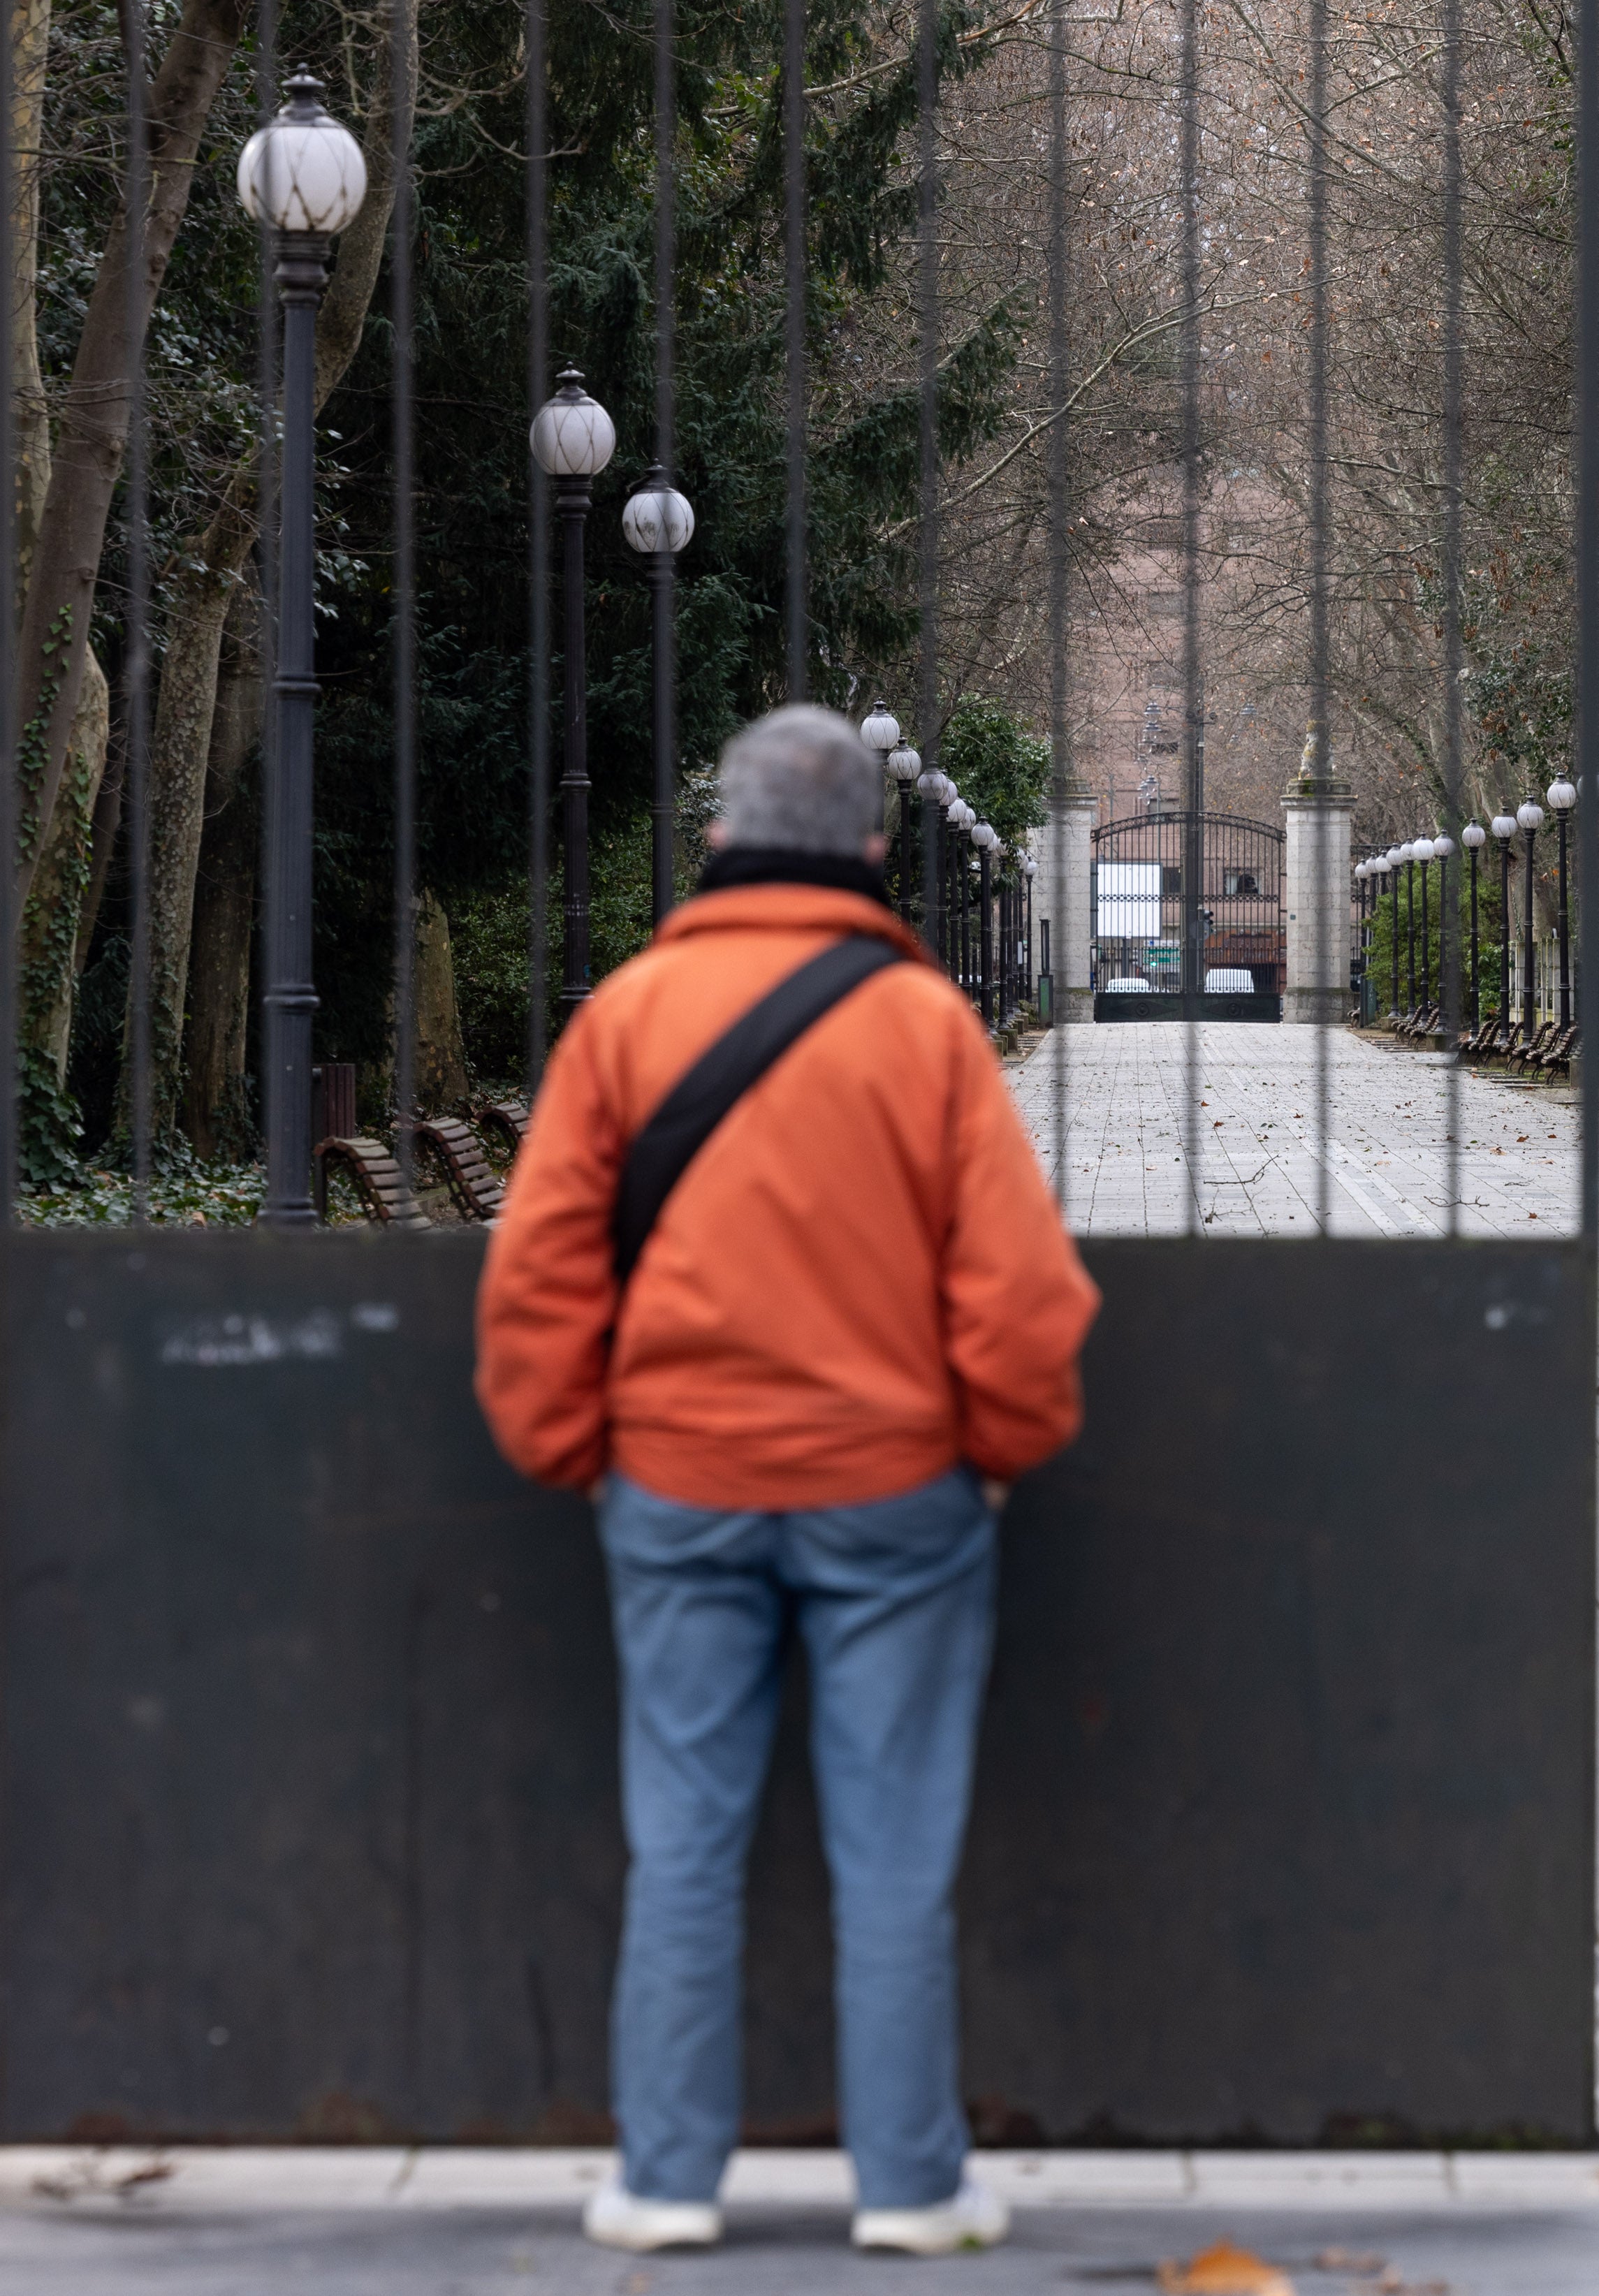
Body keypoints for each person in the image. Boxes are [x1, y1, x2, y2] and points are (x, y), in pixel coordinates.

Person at [475, 704, 1097, 2258]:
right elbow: (1014, 1293)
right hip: (897, 1497)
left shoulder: (628, 1012)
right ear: (877, 851)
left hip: (677, 1487)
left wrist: (570, 1445)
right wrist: (1000, 1449)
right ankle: (907, 2185)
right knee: (892, 1852)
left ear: (714, 839)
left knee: (680, 1837)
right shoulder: (923, 1026)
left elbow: (541, 1266)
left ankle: (666, 2181)